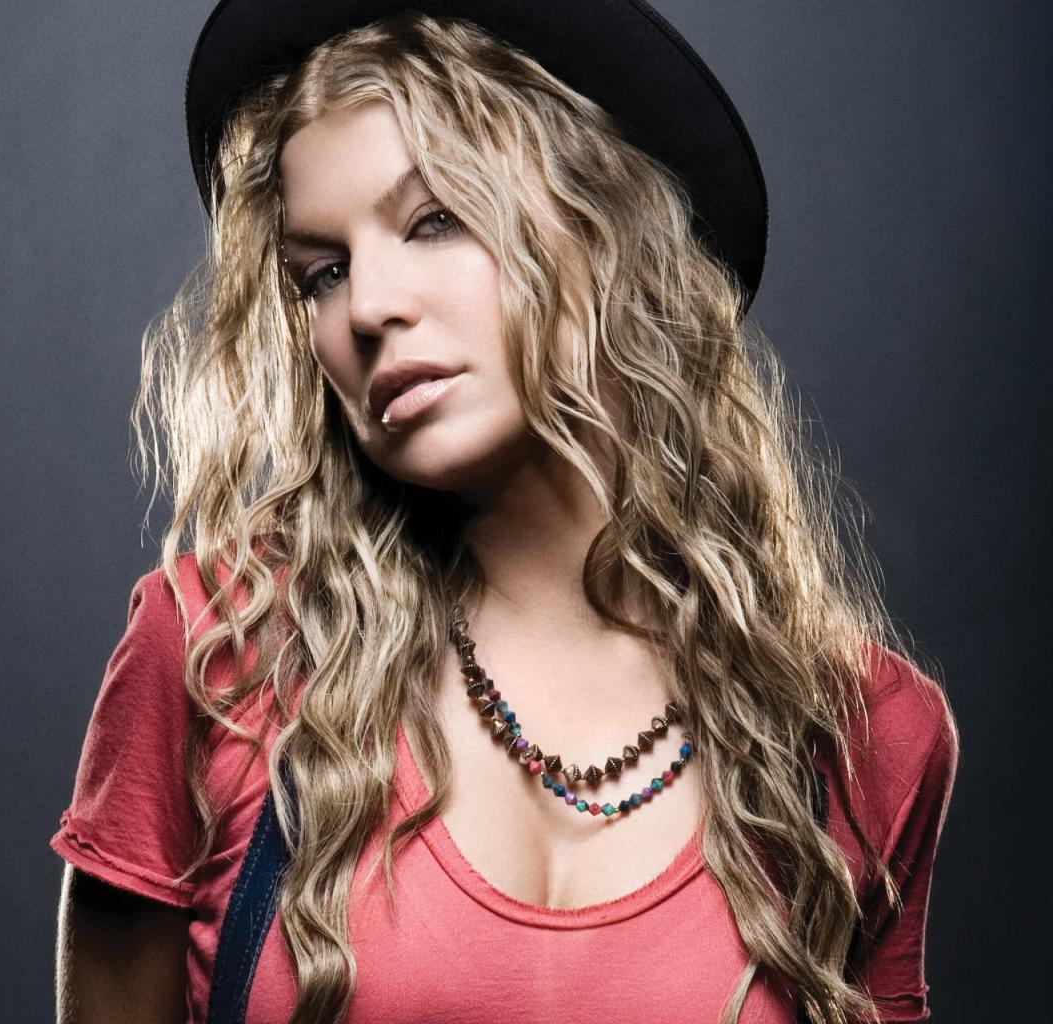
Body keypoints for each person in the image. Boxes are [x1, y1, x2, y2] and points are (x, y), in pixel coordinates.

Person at [50, 5, 958, 1023]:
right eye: (322, 274)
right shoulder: (221, 654)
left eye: (434, 219)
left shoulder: (865, 737)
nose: (366, 307)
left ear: (602, 230)